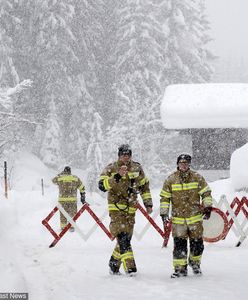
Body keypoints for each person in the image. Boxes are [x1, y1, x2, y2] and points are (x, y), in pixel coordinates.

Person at [98, 144, 153, 276]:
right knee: (122, 238)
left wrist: (148, 203)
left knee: (126, 239)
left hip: (131, 209)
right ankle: (131, 269)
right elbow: (101, 186)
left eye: (128, 155)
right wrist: (116, 176)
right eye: (123, 154)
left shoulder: (136, 167)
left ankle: (114, 264)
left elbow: (144, 187)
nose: (125, 157)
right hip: (116, 209)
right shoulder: (111, 168)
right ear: (119, 155)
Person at [160, 154, 213, 278]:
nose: (183, 165)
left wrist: (208, 207)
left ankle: (195, 264)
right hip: (179, 220)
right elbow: (164, 198)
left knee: (198, 245)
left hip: (195, 219)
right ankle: (179, 269)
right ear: (177, 164)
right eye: (181, 162)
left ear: (189, 164)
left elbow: (206, 193)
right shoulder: (170, 179)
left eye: (186, 163)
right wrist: (163, 212)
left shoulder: (197, 178)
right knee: (179, 245)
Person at [52, 166, 86, 232]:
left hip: (62, 200)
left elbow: (53, 180)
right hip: (72, 200)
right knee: (73, 214)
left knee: (63, 215)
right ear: (70, 171)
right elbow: (82, 187)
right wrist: (83, 197)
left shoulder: (60, 178)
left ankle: (63, 228)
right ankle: (72, 227)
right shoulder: (75, 178)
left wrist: (60, 174)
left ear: (64, 171)